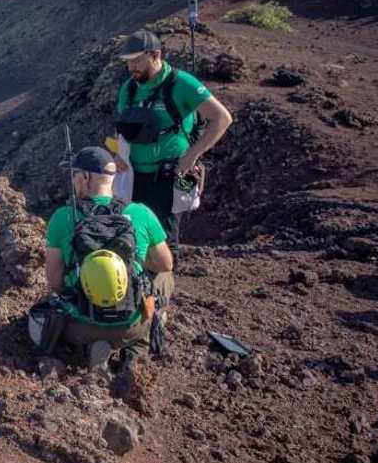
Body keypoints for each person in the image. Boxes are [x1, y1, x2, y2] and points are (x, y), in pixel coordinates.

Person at [39, 146, 174, 367]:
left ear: (85, 177)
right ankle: (135, 350)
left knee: (56, 304)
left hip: (80, 328)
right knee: (165, 276)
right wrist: (136, 263)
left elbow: (54, 282)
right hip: (131, 325)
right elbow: (165, 263)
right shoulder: (140, 212)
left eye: (74, 174)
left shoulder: (62, 217)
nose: (73, 180)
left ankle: (91, 348)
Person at [113, 30, 233, 251]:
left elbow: (222, 118)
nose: (131, 68)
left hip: (170, 176)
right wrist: (119, 155)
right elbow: (122, 127)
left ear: (155, 54)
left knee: (164, 242)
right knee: (134, 239)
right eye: (127, 62)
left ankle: (164, 285)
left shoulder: (181, 84)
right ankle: (143, 285)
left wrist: (192, 156)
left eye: (137, 60)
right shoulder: (128, 88)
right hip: (134, 178)